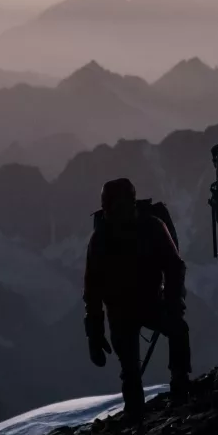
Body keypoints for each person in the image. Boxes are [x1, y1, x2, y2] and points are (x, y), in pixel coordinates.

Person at [83, 177, 191, 420]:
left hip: (126, 309)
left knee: (133, 366)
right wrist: (94, 332)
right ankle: (175, 391)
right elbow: (93, 290)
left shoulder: (103, 238)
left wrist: (95, 332)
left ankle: (151, 405)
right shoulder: (148, 227)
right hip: (135, 307)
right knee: (171, 335)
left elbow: (92, 290)